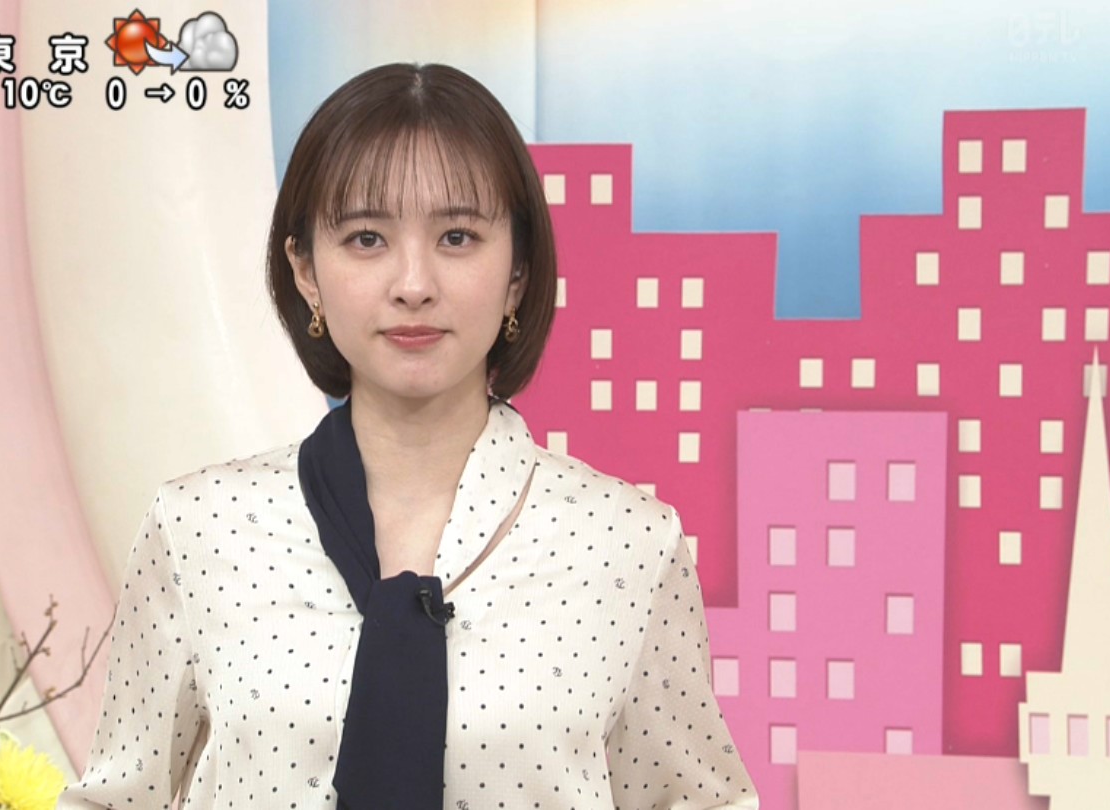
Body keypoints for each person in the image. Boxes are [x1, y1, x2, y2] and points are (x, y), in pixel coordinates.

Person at [59, 62, 759, 809]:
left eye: (458, 236)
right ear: (305, 270)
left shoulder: (627, 546)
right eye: (367, 239)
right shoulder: (201, 528)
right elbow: (112, 800)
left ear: (518, 273)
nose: (414, 284)